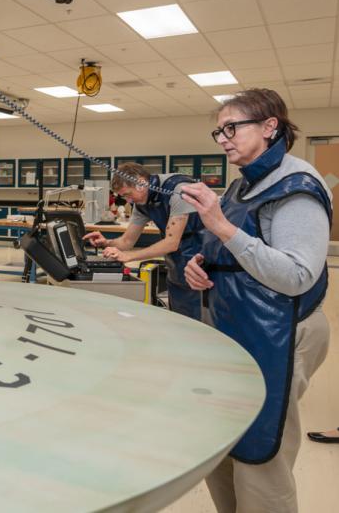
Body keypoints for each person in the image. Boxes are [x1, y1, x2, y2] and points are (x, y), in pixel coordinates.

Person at [181, 88, 332, 513]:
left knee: (262, 454)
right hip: (236, 328)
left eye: (232, 127)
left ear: (270, 127)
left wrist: (220, 226)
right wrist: (201, 265)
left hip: (281, 333)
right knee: (225, 445)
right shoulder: (241, 186)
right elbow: (236, 250)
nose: (223, 138)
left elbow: (297, 276)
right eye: (218, 131)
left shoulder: (297, 187)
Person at [83, 162, 204, 319]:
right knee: (180, 316)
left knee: (202, 318)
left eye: (127, 194)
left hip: (203, 259)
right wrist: (106, 242)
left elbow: (171, 242)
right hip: (177, 264)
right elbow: (127, 241)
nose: (128, 201)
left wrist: (129, 256)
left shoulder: (177, 190)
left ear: (141, 183)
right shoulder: (142, 203)